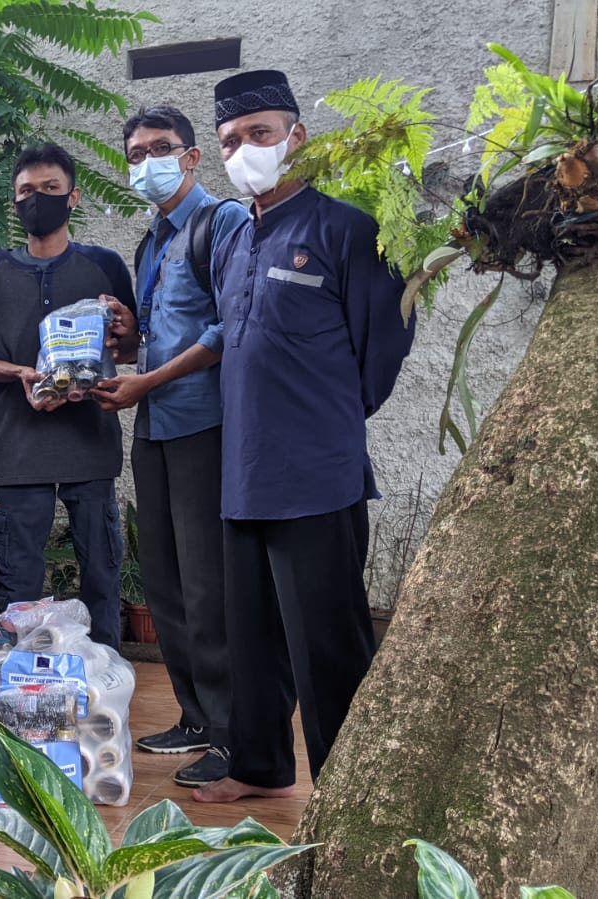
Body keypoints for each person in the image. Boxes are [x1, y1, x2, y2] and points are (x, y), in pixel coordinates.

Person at [191, 71, 416, 803]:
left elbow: (381, 349)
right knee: (250, 636)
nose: (243, 151)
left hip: (317, 474)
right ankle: (257, 764)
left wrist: (324, 422)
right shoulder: (233, 240)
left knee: (327, 642)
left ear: (296, 138)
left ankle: (347, 788)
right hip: (243, 470)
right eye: (229, 141)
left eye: (258, 134)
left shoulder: (344, 230)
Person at [93, 106, 250, 788]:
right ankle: (192, 713)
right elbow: (160, 334)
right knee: (164, 582)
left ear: (191, 157)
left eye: (159, 148)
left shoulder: (225, 224)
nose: (145, 161)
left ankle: (230, 732)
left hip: (203, 425)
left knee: (208, 584)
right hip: (153, 425)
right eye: (134, 152)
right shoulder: (150, 238)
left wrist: (145, 378)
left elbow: (225, 331)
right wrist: (124, 339)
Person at [0, 143, 134, 648]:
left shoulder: (105, 267)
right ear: (15, 203)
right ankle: (21, 689)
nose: (38, 199)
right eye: (27, 192)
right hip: (17, 449)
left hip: (91, 444)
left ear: (73, 197)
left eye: (50, 189)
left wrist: (116, 336)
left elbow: (129, 347)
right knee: (18, 586)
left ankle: (106, 681)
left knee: (101, 572)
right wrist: (17, 372)